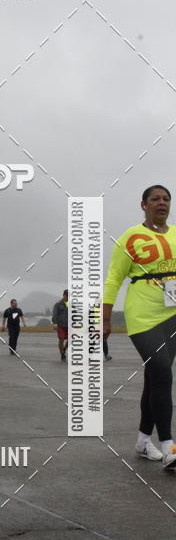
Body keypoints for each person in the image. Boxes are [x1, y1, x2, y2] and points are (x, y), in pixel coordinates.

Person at [103, 183, 176, 469]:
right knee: (161, 372)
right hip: (142, 315)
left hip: (172, 313)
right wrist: (105, 319)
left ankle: (143, 441)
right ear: (143, 204)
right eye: (155, 199)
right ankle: (169, 446)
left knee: (156, 376)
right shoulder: (130, 238)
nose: (162, 203)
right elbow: (113, 279)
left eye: (166, 199)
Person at [52, 290, 69, 361]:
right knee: (61, 339)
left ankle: (64, 349)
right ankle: (62, 354)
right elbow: (55, 314)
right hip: (60, 325)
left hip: (69, 325)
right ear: (64, 295)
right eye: (68, 296)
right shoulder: (58, 304)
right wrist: (55, 323)